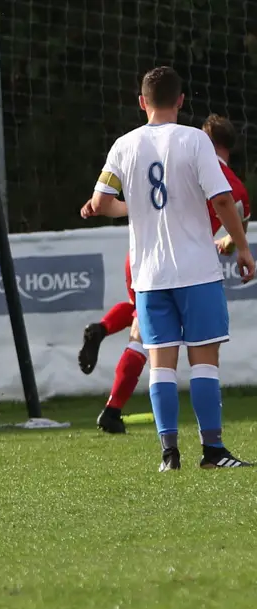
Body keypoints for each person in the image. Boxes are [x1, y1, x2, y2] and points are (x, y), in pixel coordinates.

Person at [82, 67, 254, 471]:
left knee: (160, 362)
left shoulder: (124, 145)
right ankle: (212, 451)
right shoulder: (195, 140)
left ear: (142, 102)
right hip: (196, 270)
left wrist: (132, 207)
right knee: (204, 361)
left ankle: (168, 454)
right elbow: (225, 201)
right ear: (181, 101)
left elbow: (101, 202)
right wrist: (243, 248)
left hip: (149, 276)